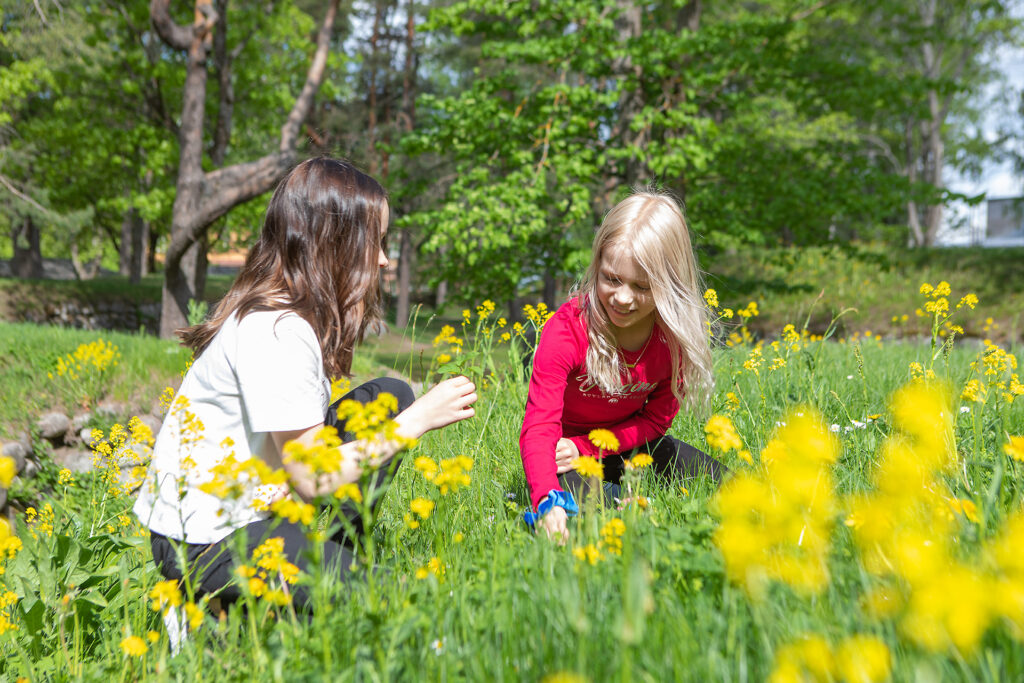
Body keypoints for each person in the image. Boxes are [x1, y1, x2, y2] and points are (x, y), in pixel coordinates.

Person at [133, 157, 477, 608]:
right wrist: (417, 422)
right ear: (331, 243)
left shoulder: (289, 316)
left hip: (252, 503)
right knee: (387, 601)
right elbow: (312, 475)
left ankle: (333, 559)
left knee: (388, 397)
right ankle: (212, 604)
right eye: (373, 241)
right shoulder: (278, 330)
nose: (383, 258)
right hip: (203, 537)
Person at [519, 189, 725, 542]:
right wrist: (546, 502)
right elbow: (538, 428)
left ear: (669, 284)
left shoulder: (672, 338)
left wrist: (590, 446)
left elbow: (656, 420)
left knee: (727, 486)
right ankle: (626, 508)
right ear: (597, 264)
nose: (623, 298)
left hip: (628, 445)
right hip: (565, 457)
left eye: (642, 286)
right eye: (611, 279)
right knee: (590, 507)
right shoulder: (567, 331)